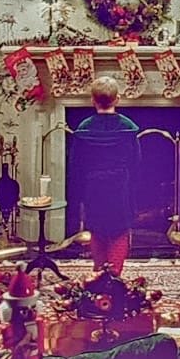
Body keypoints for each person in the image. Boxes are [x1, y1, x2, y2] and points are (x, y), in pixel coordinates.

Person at [71, 76, 142, 274]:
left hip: (93, 188)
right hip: (120, 187)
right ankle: (114, 275)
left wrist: (79, 194)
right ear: (117, 99)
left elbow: (76, 165)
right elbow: (136, 162)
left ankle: (99, 272)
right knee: (120, 231)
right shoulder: (128, 128)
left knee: (97, 230)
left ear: (92, 100)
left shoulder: (84, 128)